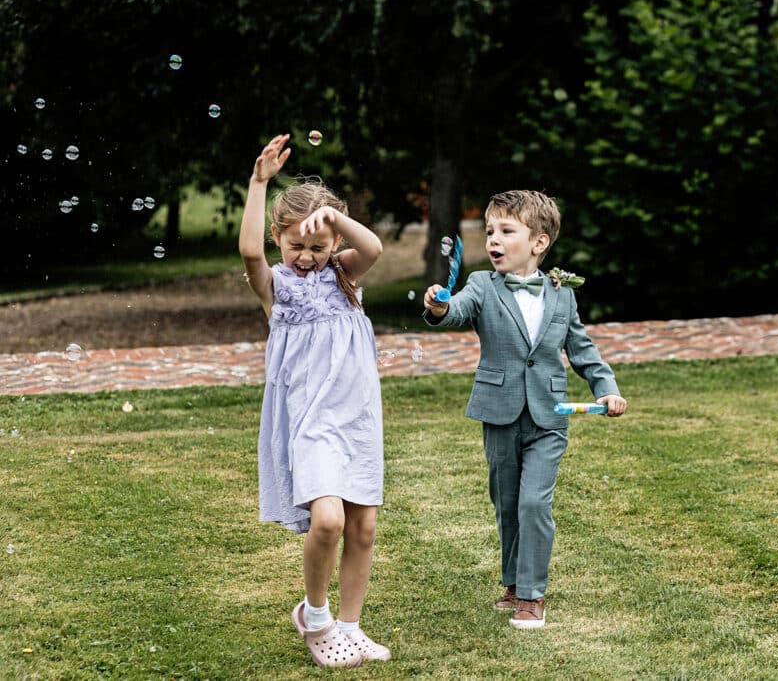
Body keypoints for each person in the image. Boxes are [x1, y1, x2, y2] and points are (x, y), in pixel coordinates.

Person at [422, 189, 628, 629]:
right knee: (508, 502)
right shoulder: (481, 286)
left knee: (535, 502)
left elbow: (583, 349)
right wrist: (440, 306)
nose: (493, 239)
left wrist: (606, 388)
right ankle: (513, 584)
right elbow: (456, 310)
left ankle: (532, 595)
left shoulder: (562, 293)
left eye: (506, 231)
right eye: (490, 231)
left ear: (539, 243)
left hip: (550, 415)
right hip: (499, 413)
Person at [239, 133, 390, 667]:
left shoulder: (345, 274)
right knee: (327, 521)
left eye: (317, 247)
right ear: (281, 237)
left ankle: (350, 626)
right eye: (296, 244)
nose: (306, 257)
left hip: (357, 418)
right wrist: (260, 183)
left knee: (363, 527)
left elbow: (372, 248)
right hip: (310, 421)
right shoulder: (275, 286)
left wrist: (332, 215)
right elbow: (250, 250)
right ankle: (316, 615)